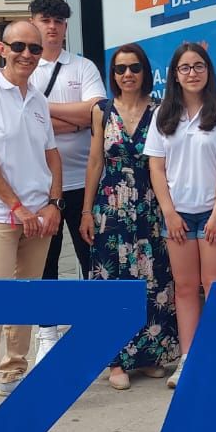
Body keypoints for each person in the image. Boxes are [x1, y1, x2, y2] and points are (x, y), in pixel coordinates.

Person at [0, 20, 63, 425]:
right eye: (19, 46)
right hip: (0, 216)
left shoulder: (37, 98)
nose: (27, 54)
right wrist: (17, 206)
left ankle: (14, 373)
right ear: (1, 48)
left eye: (35, 48)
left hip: (39, 216)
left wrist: (53, 203)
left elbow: (52, 156)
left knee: (26, 299)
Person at [80, 45, 178, 390]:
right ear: (113, 75)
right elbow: (95, 162)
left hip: (150, 205)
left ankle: (149, 355)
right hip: (111, 208)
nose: (127, 74)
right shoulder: (102, 112)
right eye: (120, 69)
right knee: (114, 280)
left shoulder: (161, 110)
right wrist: (87, 210)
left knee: (153, 279)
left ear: (145, 72)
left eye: (134, 68)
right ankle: (116, 360)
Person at [144, 42, 216, 389]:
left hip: (212, 214)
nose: (193, 73)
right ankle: (188, 359)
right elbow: (156, 167)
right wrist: (168, 212)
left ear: (208, 71)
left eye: (199, 66)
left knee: (214, 288)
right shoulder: (163, 115)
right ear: (175, 75)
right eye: (185, 68)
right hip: (177, 215)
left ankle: (215, 360)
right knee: (184, 288)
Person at [27, 0, 107, 355]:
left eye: (58, 21)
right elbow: (21, 123)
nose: (52, 27)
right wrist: (72, 122)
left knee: (91, 260)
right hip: (39, 188)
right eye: (45, 19)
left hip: (84, 184)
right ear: (33, 22)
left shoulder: (82, 67)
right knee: (47, 263)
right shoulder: (23, 66)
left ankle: (94, 330)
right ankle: (48, 333)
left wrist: (41, 110)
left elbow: (96, 111)